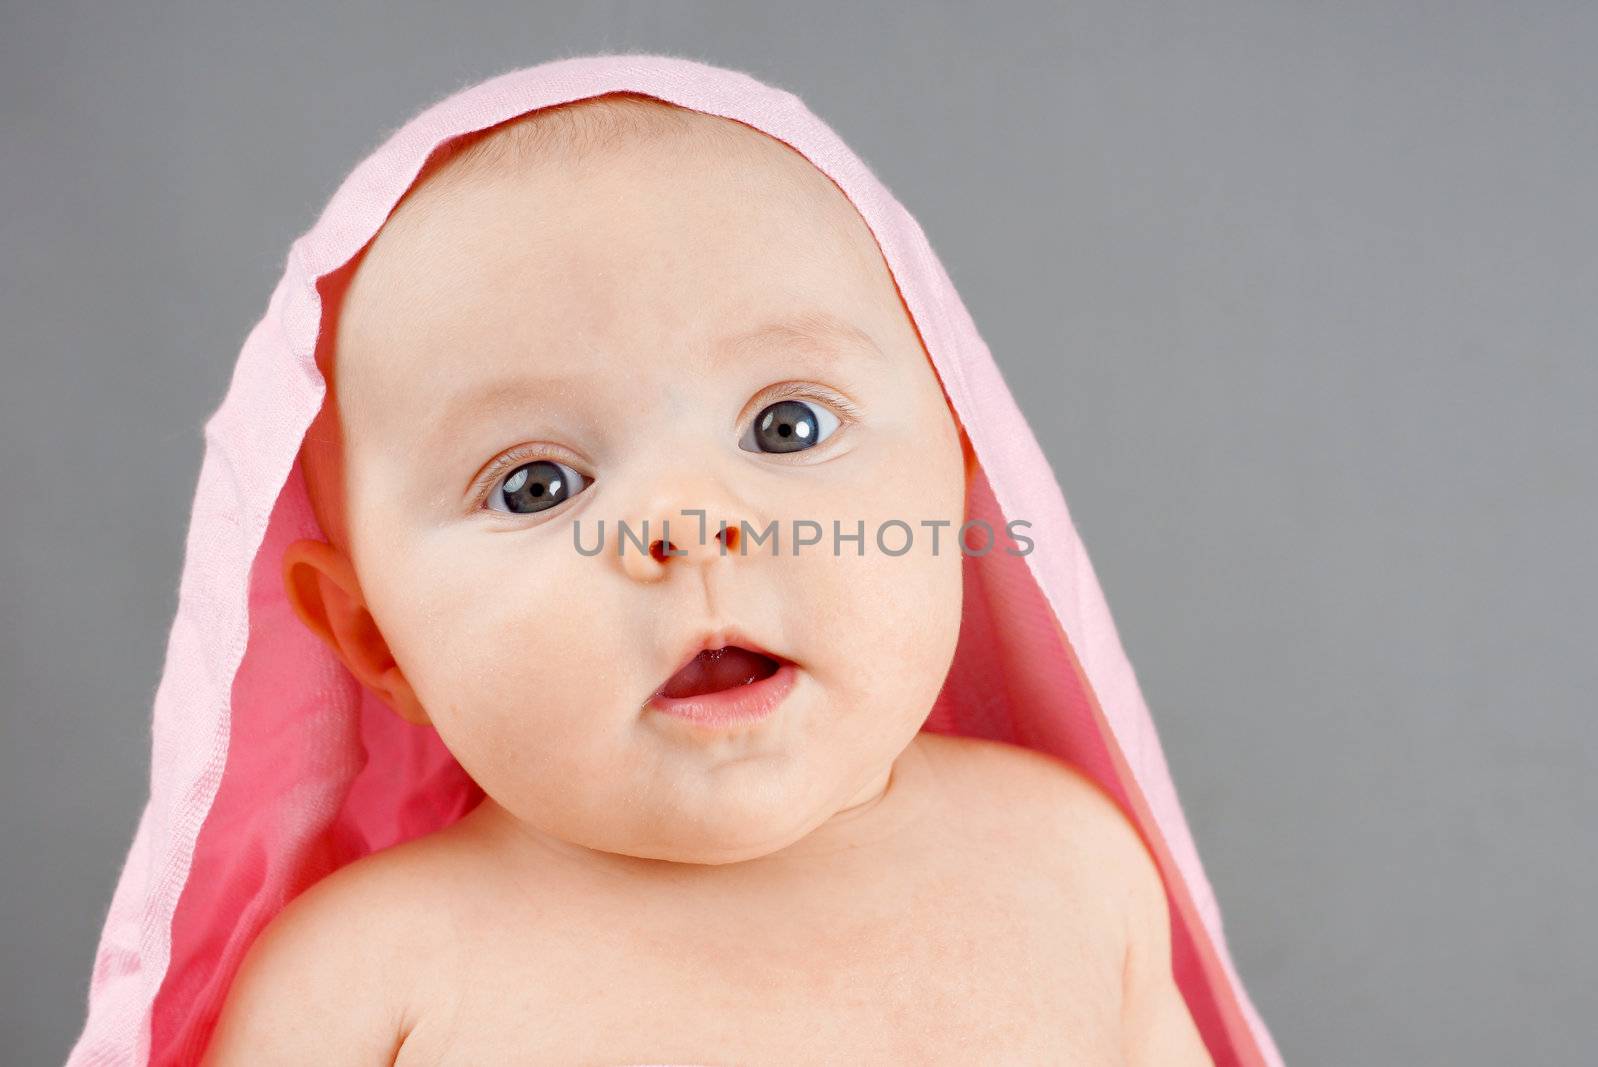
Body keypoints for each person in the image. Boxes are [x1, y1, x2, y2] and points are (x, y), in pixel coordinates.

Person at [71, 55, 1280, 1067]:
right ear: (374, 636)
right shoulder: (367, 983)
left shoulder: (1065, 870)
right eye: (536, 482)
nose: (689, 525)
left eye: (786, 425)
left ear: (957, 475)